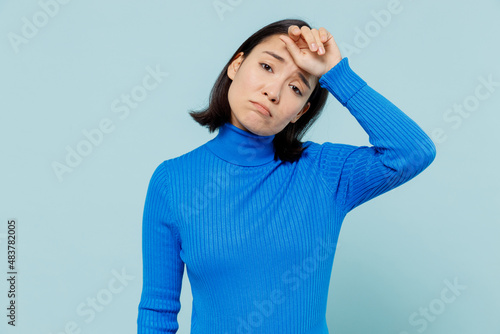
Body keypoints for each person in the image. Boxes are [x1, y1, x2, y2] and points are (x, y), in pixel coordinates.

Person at [137, 18, 436, 334]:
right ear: (236, 65)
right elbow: (158, 312)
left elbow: (412, 152)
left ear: (300, 112)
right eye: (267, 67)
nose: (273, 91)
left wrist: (337, 73)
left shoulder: (324, 172)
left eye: (296, 87)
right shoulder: (173, 181)